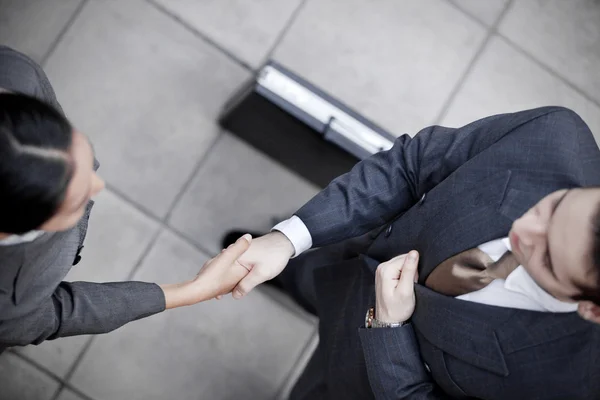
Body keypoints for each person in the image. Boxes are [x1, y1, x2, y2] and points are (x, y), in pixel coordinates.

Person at [222, 106, 600, 399]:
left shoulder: (567, 385)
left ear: (591, 309)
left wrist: (387, 331)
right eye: (554, 207)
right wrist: (288, 239)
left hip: (358, 380)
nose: (522, 230)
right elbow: (411, 164)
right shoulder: (554, 136)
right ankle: (290, 275)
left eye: (547, 258)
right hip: (356, 255)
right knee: (308, 275)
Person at [0, 46, 250, 352]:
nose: (98, 185)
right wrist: (191, 291)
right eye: (76, 201)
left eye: (83, 154)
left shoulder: (16, 73)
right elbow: (60, 313)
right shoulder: (6, 306)